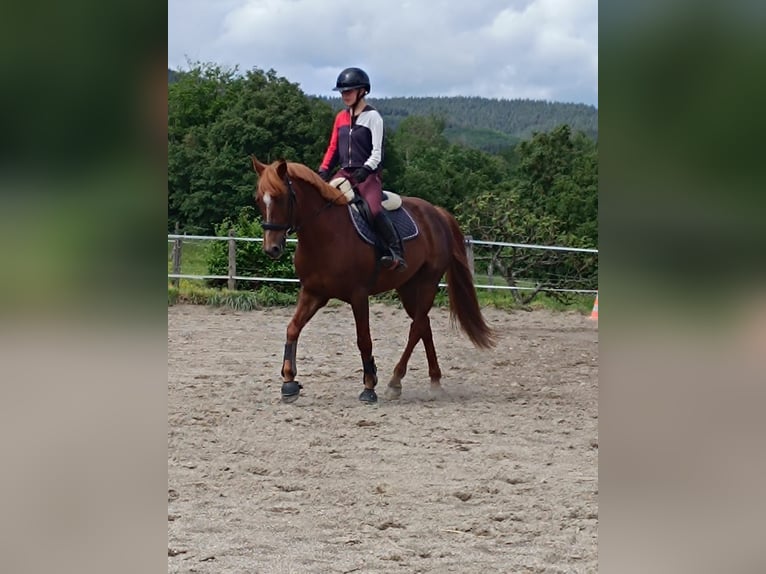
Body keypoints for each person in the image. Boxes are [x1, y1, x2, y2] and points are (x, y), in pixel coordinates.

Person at [317, 67, 407, 271]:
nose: (344, 96)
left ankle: (396, 252)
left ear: (362, 91)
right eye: (342, 92)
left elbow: (377, 152)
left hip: (367, 176)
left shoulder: (373, 117)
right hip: (344, 173)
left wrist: (366, 170)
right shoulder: (340, 117)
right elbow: (332, 147)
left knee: (374, 211)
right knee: (323, 204)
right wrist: (323, 170)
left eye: (348, 91)